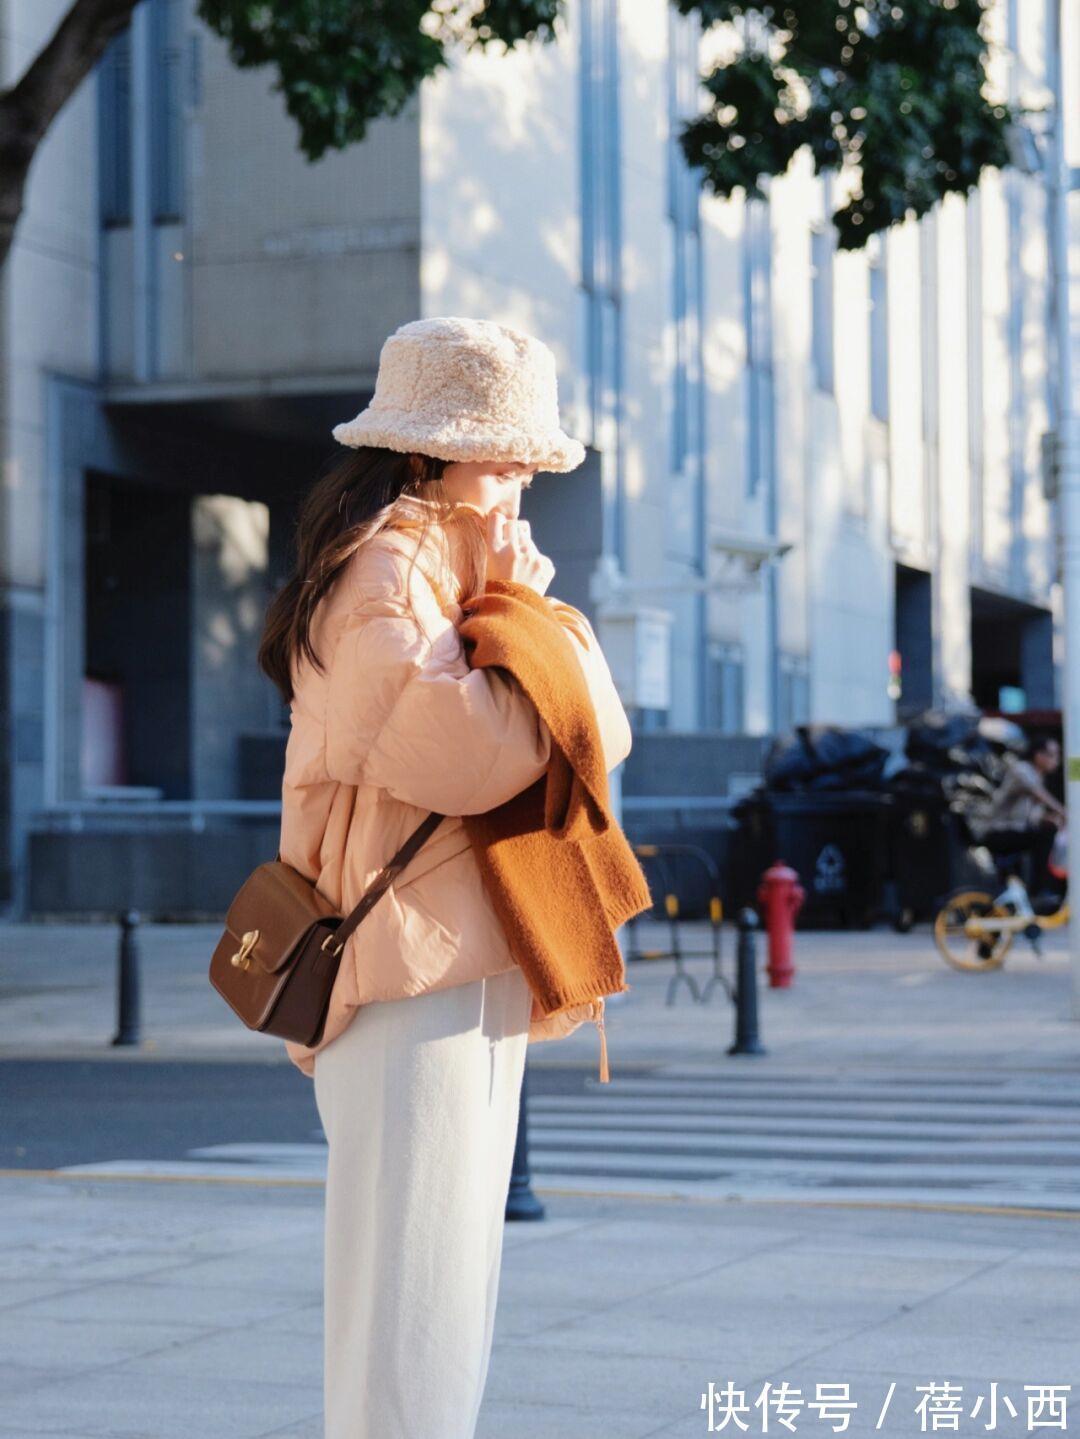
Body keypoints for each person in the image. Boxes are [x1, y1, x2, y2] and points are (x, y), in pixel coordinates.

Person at [257, 317, 634, 1439]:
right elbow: (477, 756)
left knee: (445, 1286)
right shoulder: (388, 570)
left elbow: (598, 732)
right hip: (404, 968)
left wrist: (529, 613)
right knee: (408, 1297)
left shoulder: (462, 564)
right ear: (428, 448)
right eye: (505, 448)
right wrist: (527, 618)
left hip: (463, 958)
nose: (524, 471)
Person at [978, 735, 1065, 897]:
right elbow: (1038, 794)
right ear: (1039, 755)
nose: (1057, 761)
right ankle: (1039, 891)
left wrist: (1053, 818)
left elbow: (1033, 816)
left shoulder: (1039, 777)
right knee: (1045, 835)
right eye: (1053, 755)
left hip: (1016, 832)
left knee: (1048, 830)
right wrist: (1065, 813)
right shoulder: (1022, 770)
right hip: (998, 833)